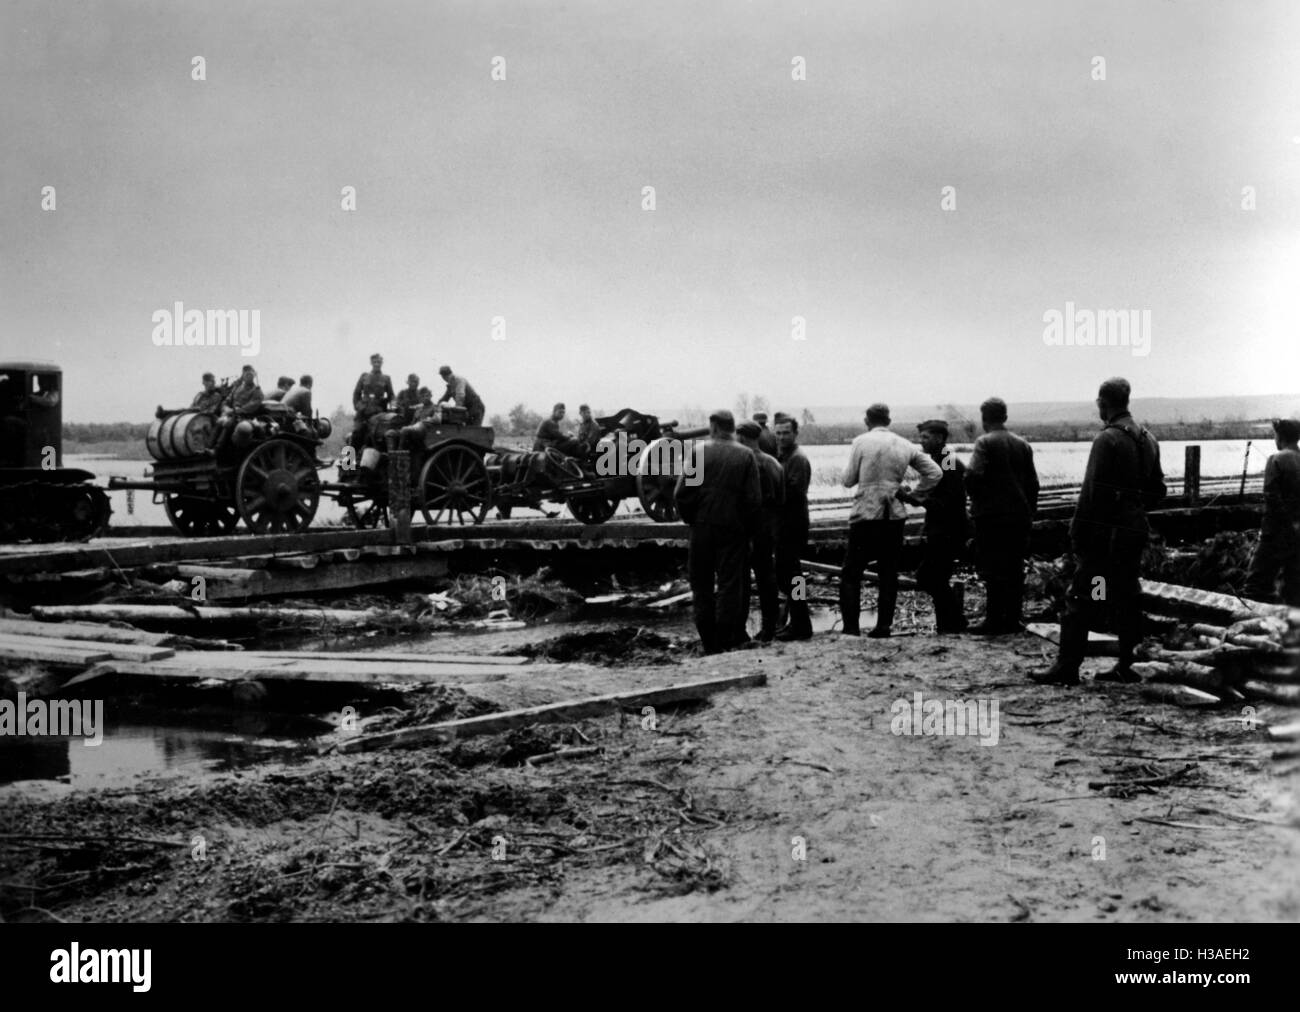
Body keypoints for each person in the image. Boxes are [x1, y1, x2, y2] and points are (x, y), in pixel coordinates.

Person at [1032, 378, 1166, 685]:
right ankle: (1130, 665)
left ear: (1102, 403)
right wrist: (1133, 507)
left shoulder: (1107, 440)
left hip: (1106, 535)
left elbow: (1091, 494)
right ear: (1127, 401)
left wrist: (1078, 534)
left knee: (1082, 595)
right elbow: (1159, 490)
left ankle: (1067, 667)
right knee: (1127, 595)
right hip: (1134, 530)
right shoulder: (1149, 438)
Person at [839, 404, 942, 637]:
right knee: (888, 573)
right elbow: (936, 472)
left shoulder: (861, 442)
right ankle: (883, 626)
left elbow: (848, 480)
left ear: (867, 420)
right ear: (889, 420)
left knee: (851, 573)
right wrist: (914, 495)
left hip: (866, 512)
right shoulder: (904, 444)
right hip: (894, 514)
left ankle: (851, 629)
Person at [674, 410, 761, 654]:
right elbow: (753, 500)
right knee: (729, 584)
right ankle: (725, 639)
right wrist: (747, 531)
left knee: (700, 585)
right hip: (733, 530)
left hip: (701, 528)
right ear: (732, 428)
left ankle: (709, 643)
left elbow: (682, 494)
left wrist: (693, 519)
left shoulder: (699, 452)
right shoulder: (745, 455)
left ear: (713, 427)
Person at [964, 397, 1039, 634]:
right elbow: (1033, 485)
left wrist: (976, 499)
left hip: (991, 517)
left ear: (984, 418)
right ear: (1005, 417)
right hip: (1018, 517)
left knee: (993, 568)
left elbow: (972, 475)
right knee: (1014, 568)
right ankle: (1013, 619)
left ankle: (994, 620)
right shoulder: (1022, 444)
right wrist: (1029, 512)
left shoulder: (984, 442)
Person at [900, 420, 969, 633]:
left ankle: (955, 621)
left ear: (940, 438)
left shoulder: (947, 461)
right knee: (937, 577)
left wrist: (915, 499)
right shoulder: (940, 460)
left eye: (926, 437)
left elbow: (949, 500)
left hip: (948, 529)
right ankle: (949, 625)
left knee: (929, 577)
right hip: (943, 527)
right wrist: (914, 497)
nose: (921, 442)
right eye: (921, 437)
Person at [1244, 418, 1300, 606]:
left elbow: (1271, 498)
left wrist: (1272, 530)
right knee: (1292, 584)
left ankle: (1251, 618)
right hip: (1297, 531)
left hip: (1276, 532)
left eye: (1275, 435)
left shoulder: (1275, 460)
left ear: (1281, 436)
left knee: (1255, 583)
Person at [737, 420, 784, 642]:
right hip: (773, 528)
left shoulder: (747, 463)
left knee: (744, 580)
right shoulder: (775, 462)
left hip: (752, 529)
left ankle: (742, 629)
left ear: (743, 437)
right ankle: (781, 624)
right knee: (771, 579)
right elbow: (781, 499)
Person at [774, 415, 814, 640]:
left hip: (793, 523)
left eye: (786, 433)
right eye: (778, 433)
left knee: (793, 575)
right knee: (788, 575)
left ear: (795, 434)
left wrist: (769, 496)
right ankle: (797, 621)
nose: (781, 437)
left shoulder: (798, 459)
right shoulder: (783, 456)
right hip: (783, 523)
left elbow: (794, 493)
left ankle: (801, 624)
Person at [352, 353, 394, 449]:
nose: (377, 364)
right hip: (363, 412)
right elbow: (356, 394)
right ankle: (347, 463)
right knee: (356, 434)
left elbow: (391, 395)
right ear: (371, 362)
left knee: (379, 437)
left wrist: (393, 406)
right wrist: (358, 406)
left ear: (382, 363)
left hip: (378, 412)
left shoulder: (386, 378)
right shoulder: (364, 376)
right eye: (375, 362)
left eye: (379, 362)